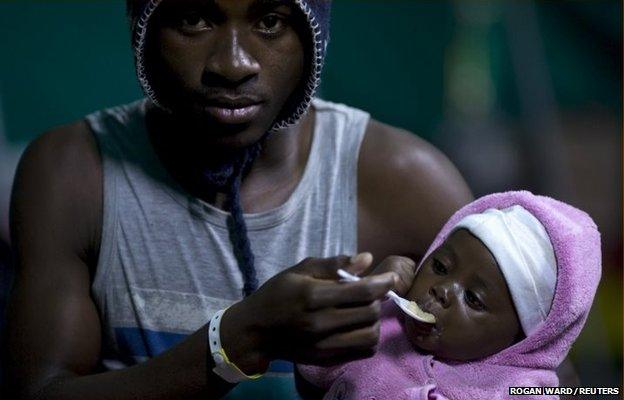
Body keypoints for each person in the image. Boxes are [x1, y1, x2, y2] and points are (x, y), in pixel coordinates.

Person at [4, 0, 473, 399]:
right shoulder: (75, 174)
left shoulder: (408, 184)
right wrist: (238, 340)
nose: (232, 64)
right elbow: (40, 392)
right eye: (193, 19)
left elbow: (539, 386)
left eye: (270, 21)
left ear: (313, 39)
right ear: (143, 34)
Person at [297, 191, 601, 400]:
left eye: (473, 299)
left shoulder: (519, 388)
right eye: (440, 266)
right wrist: (366, 297)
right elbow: (309, 367)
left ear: (521, 339)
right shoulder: (380, 329)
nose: (442, 290)